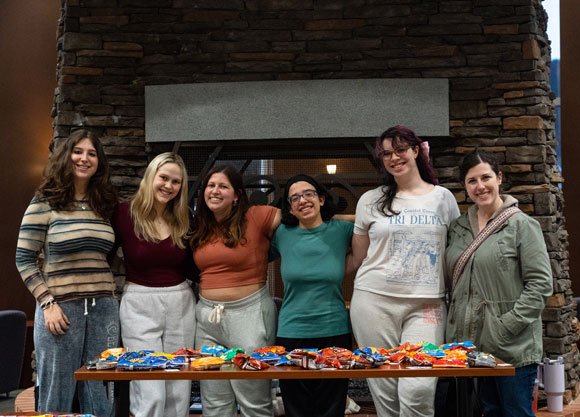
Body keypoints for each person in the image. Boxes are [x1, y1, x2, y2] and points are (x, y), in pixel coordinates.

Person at [350, 125, 460, 417]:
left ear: (415, 151)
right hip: (373, 302)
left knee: (418, 388)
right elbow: (358, 257)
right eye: (386, 153)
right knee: (385, 392)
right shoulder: (370, 200)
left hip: (427, 303)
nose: (394, 158)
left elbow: (456, 250)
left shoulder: (444, 198)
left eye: (400, 150)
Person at [15, 129, 119, 416]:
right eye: (78, 151)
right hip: (60, 311)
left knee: (103, 391)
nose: (84, 158)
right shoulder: (44, 202)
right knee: (56, 391)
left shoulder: (103, 205)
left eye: (92, 153)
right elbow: (24, 258)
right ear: (66, 156)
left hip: (104, 310)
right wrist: (47, 303)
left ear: (99, 162)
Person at [445, 149, 552, 416]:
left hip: (512, 345)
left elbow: (540, 284)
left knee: (515, 411)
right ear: (465, 186)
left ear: (499, 178)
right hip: (470, 345)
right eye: (472, 181)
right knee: (489, 411)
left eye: (486, 177)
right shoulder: (458, 228)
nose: (480, 186)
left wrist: (506, 326)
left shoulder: (522, 226)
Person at [190, 164, 281, 417]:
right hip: (207, 319)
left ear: (237, 194)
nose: (215, 191)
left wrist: (360, 222)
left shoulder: (257, 215)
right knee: (214, 401)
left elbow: (305, 219)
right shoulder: (201, 226)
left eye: (223, 186)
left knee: (254, 399)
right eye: (210, 185)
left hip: (250, 315)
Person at [111, 152, 195, 417]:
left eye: (176, 182)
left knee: (178, 387)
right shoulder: (124, 213)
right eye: (164, 178)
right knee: (150, 388)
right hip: (138, 302)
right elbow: (106, 255)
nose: (169, 186)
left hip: (181, 301)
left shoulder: (184, 218)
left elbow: (195, 264)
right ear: (151, 176)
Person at [269, 174, 354, 417]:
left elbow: (370, 221)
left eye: (308, 194)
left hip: (334, 330)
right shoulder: (282, 233)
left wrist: (338, 217)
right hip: (291, 333)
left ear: (322, 199)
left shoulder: (341, 230)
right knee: (297, 408)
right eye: (294, 198)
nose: (302, 200)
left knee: (332, 407)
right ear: (290, 208)